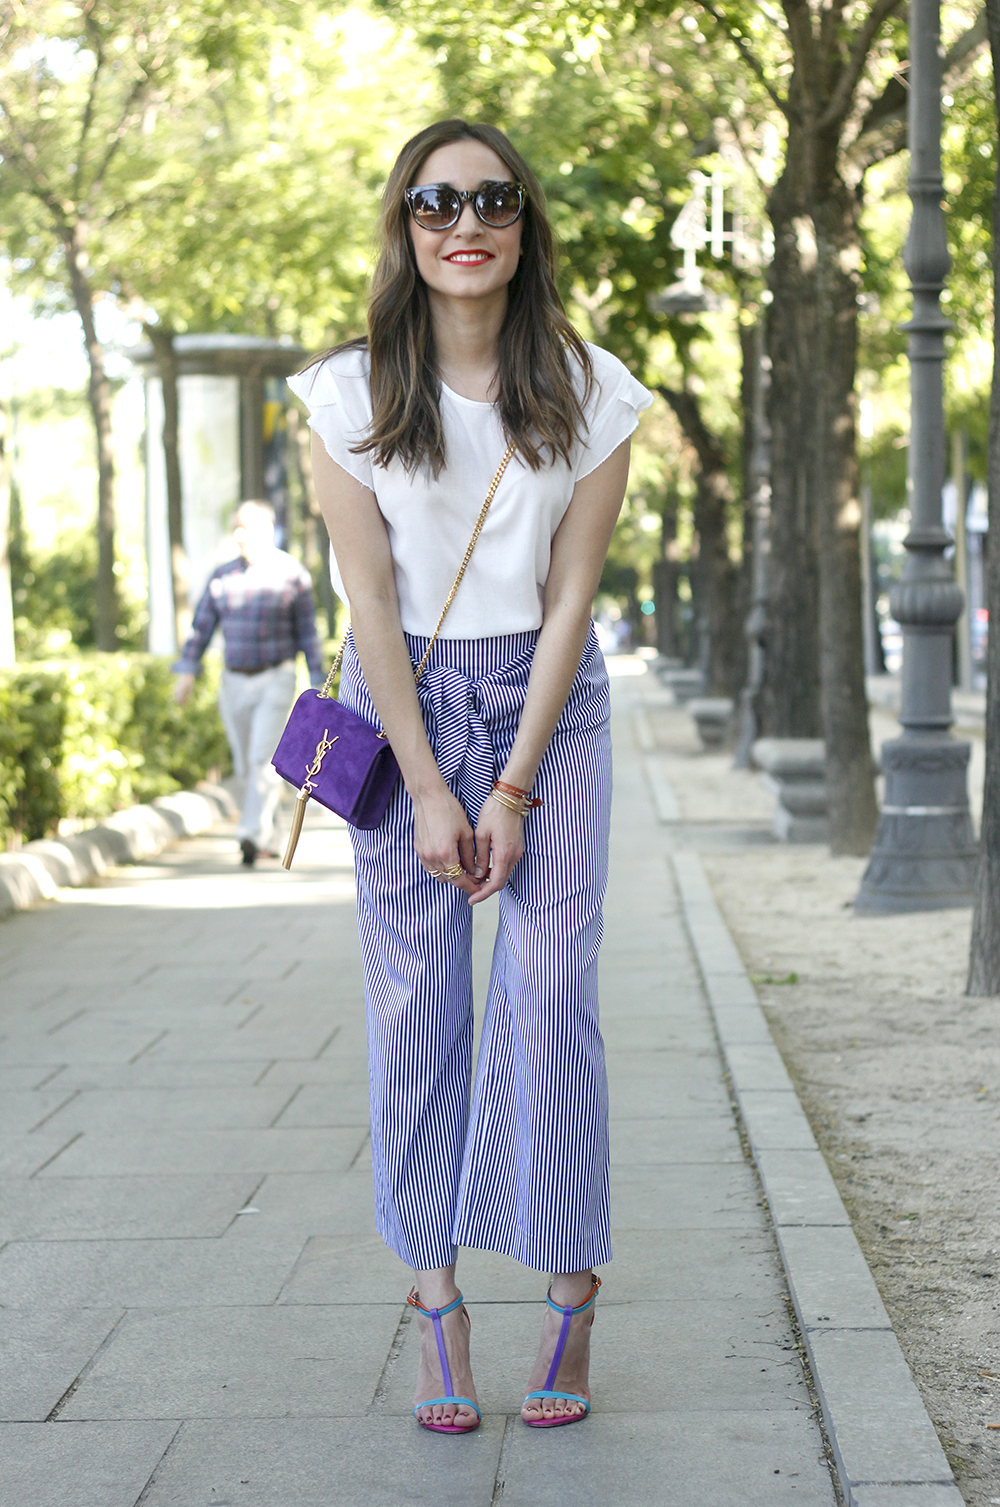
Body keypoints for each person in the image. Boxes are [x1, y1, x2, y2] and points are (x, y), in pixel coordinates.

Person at [287, 119, 652, 1434]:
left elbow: (570, 604)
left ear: (522, 222)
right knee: (416, 1004)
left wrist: (506, 788)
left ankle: (570, 1283)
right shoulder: (345, 398)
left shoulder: (594, 390)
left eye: (491, 197)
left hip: (550, 710)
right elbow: (369, 603)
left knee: (552, 990)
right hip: (404, 716)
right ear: (405, 223)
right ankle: (436, 1297)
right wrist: (437, 783)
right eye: (435, 201)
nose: (464, 221)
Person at [173, 500, 324, 867]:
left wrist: (320, 682)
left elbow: (308, 634)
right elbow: (201, 628)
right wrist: (187, 671)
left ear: (266, 530)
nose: (239, 535)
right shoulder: (222, 576)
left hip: (276, 677)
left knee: (261, 758)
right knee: (245, 763)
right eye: (235, 528)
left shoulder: (293, 574)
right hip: (233, 681)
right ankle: (267, 832)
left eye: (246, 527)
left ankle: (249, 836)